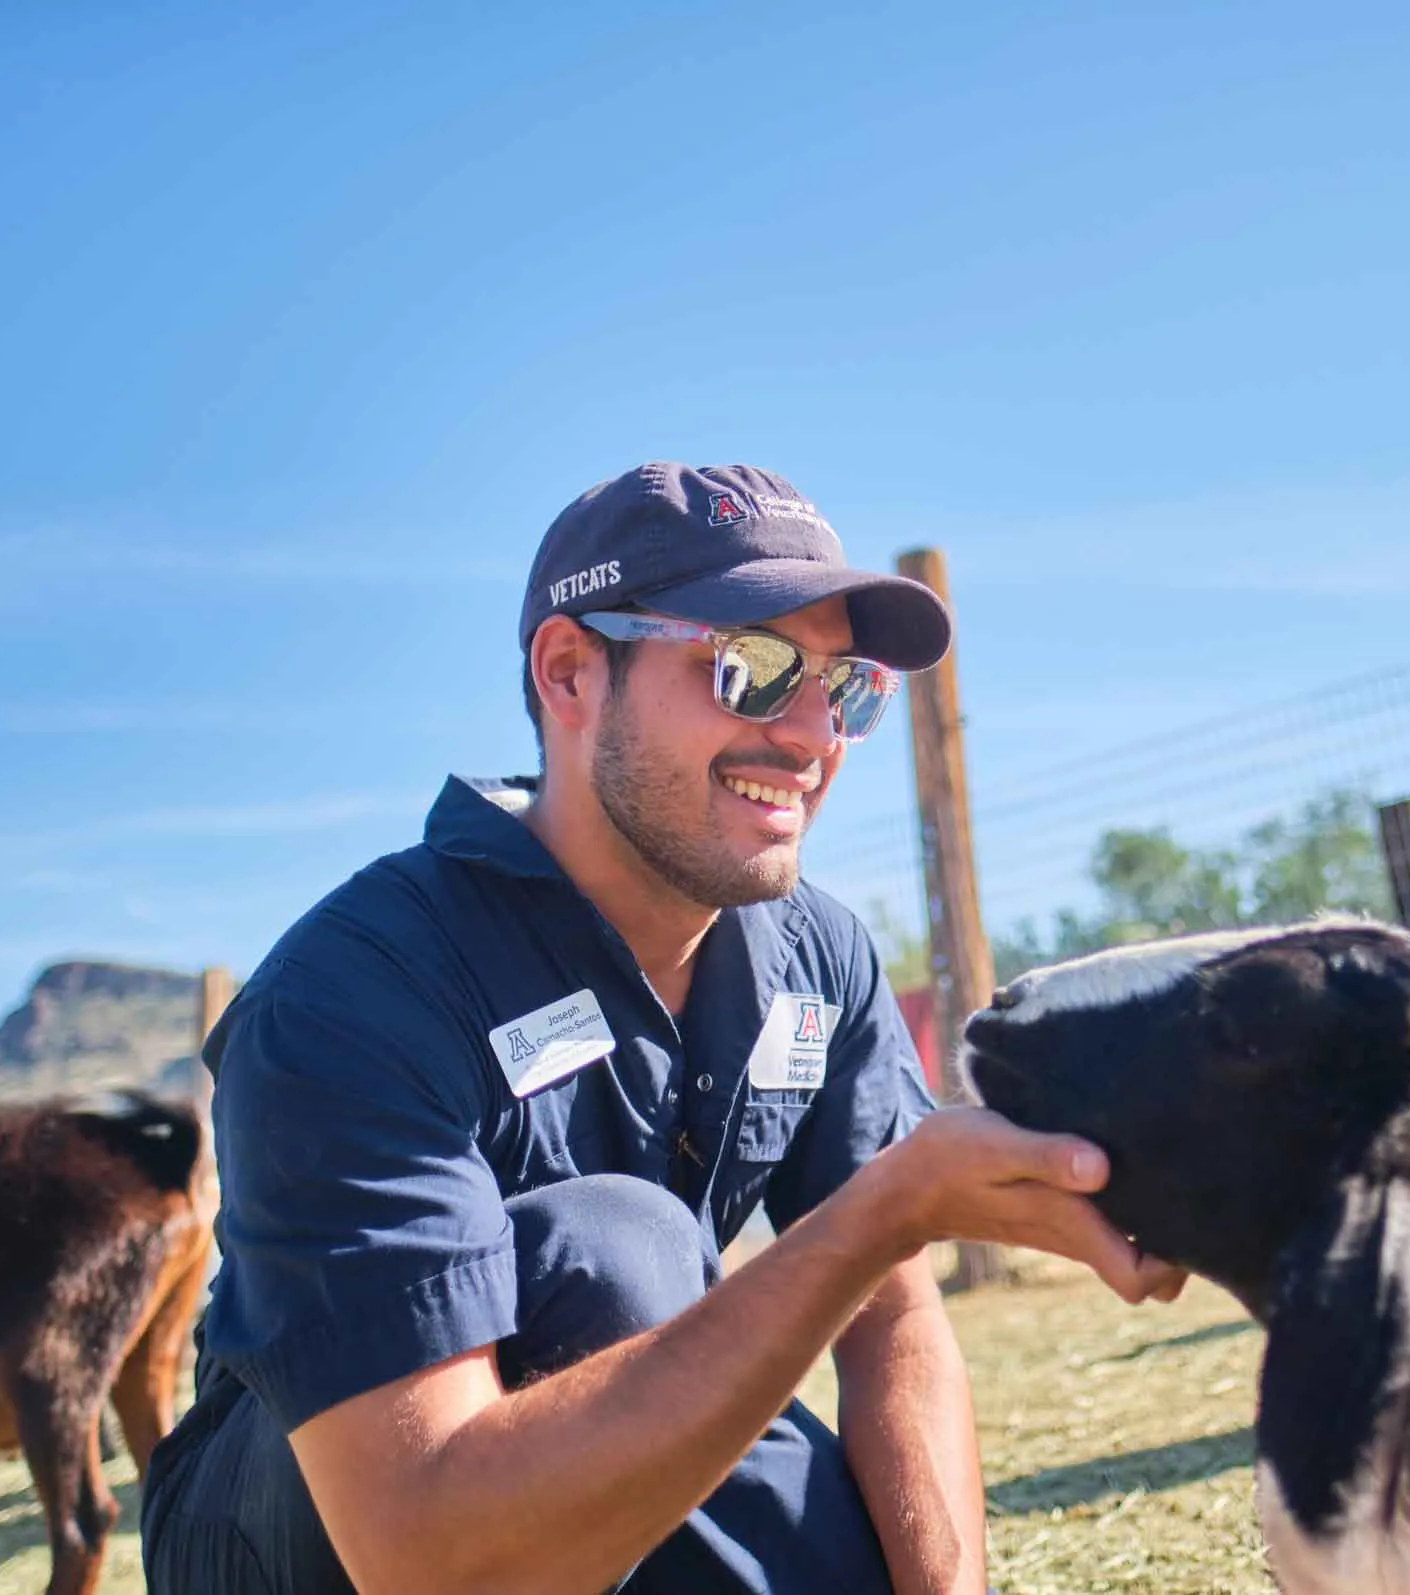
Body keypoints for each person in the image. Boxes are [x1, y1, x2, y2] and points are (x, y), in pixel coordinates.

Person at [141, 463, 1184, 1595]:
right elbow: (419, 1547)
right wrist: (878, 1213)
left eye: (846, 687)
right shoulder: (356, 989)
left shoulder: (814, 956)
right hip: (307, 1527)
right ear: (570, 671)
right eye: (751, 666)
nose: (809, 734)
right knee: (615, 1248)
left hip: (599, 1476)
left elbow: (894, 1314)